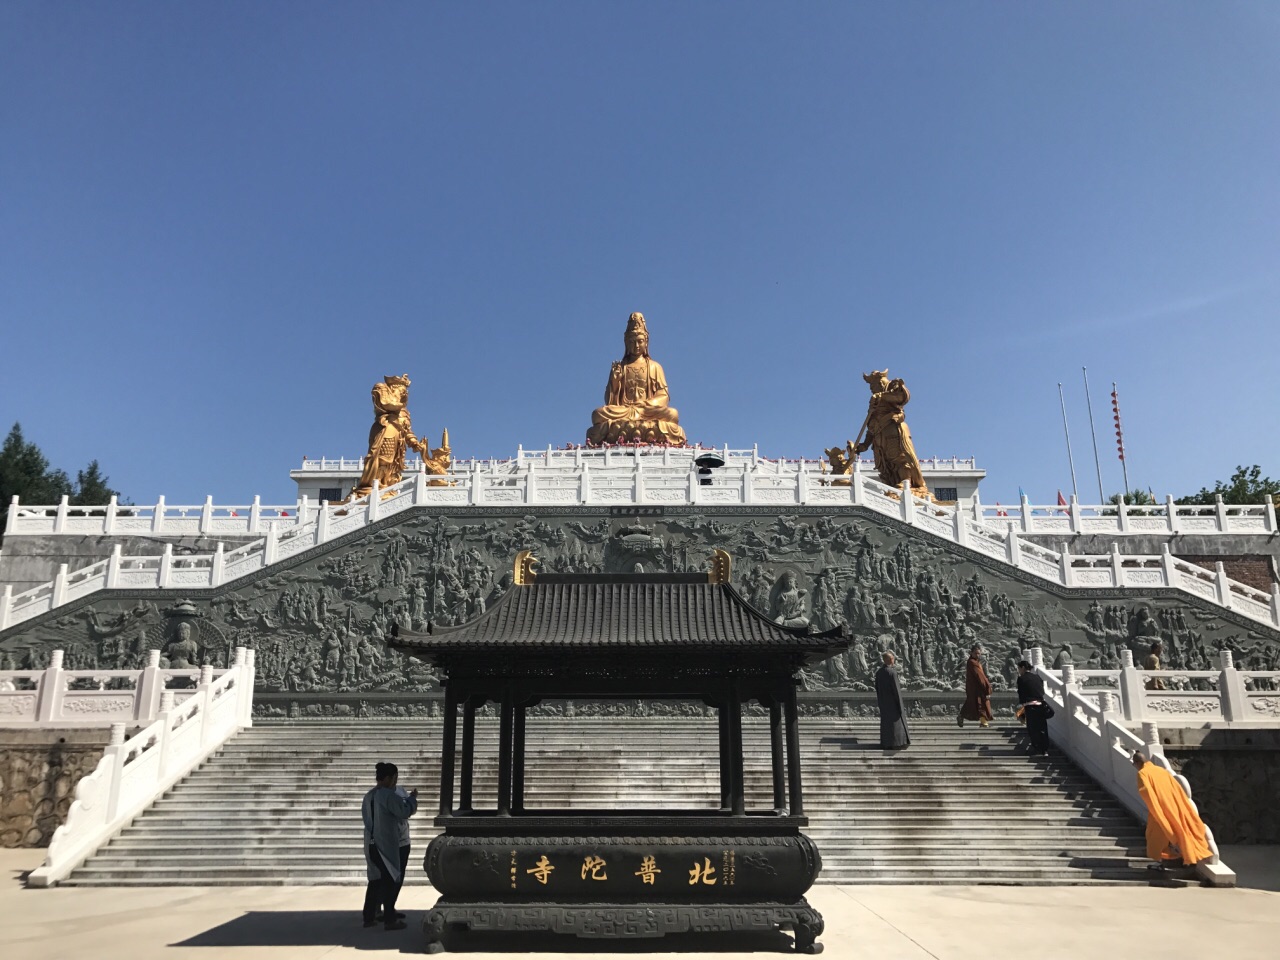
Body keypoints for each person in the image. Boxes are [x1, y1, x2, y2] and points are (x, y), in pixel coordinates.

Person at [586, 312, 687, 446]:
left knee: (673, 414)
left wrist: (648, 403)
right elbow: (610, 401)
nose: (636, 346)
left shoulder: (654, 366)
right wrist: (615, 382)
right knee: (597, 414)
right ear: (626, 342)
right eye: (632, 342)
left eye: (640, 341)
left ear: (646, 342)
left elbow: (664, 396)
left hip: (646, 410)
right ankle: (638, 430)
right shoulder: (620, 367)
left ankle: (624, 431)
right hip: (625, 411)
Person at [1131, 752, 1212, 869]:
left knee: (1156, 836)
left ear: (1138, 763)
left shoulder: (1142, 773)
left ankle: (1163, 861)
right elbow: (1176, 787)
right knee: (1179, 830)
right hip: (1174, 805)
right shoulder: (1161, 770)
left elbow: (1147, 793)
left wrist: (1156, 811)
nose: (1135, 766)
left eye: (1134, 764)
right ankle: (1182, 856)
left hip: (1161, 808)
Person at [362, 761, 418, 930]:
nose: (395, 781)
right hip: (386, 844)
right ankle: (389, 919)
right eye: (394, 778)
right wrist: (412, 799)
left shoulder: (369, 795)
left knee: (376, 880)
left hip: (371, 843)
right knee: (390, 881)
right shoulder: (387, 795)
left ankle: (369, 916)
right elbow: (404, 811)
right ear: (387, 778)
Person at [874, 651, 911, 749]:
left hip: (884, 702)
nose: (893, 660)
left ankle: (886, 743)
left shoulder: (879, 672)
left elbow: (877, 688)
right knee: (896, 724)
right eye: (893, 658)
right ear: (890, 660)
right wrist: (900, 706)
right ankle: (897, 743)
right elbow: (896, 690)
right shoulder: (892, 672)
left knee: (886, 723)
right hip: (893, 703)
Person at [1016, 661, 1051, 755]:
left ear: (1023, 667)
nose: (1019, 671)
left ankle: (1037, 748)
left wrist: (1022, 704)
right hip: (1040, 705)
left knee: (1033, 728)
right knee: (1042, 727)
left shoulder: (1021, 679)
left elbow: (1021, 693)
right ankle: (1045, 749)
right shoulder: (1037, 677)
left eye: (1019, 668)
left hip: (1030, 706)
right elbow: (1042, 691)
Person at [958, 644, 993, 728]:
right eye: (976, 653)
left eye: (979, 653)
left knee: (973, 704)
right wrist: (987, 687)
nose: (978, 655)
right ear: (971, 653)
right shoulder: (972, 662)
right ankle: (983, 722)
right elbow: (980, 677)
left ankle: (961, 716)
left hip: (975, 688)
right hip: (977, 688)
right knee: (981, 704)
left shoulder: (975, 662)